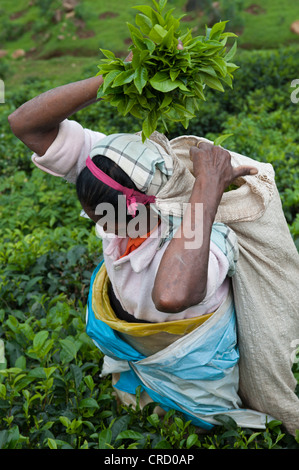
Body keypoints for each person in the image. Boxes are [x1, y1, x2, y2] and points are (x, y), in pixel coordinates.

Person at [9, 54, 297, 432]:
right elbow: (24, 123)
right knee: (149, 416)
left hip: (200, 380)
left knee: (193, 423)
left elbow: (174, 294)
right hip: (142, 356)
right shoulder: (116, 183)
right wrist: (115, 78)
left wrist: (205, 193)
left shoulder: (195, 231)